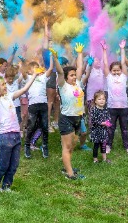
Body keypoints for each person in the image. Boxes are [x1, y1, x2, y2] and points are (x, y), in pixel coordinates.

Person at [0, 63, 41, 197]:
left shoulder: (10, 97)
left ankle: (6, 186)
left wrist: (34, 75)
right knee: (3, 164)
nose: (5, 87)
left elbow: (23, 90)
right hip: (5, 137)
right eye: (2, 85)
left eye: (5, 85)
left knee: (14, 165)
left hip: (16, 135)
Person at [51, 43, 85, 180]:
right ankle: (70, 173)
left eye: (74, 75)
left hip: (78, 118)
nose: (74, 77)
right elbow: (59, 71)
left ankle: (68, 166)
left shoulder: (78, 84)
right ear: (65, 78)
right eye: (71, 75)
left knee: (72, 146)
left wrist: (80, 54)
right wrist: (54, 57)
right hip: (66, 119)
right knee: (67, 146)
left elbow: (80, 68)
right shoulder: (63, 86)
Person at [102, 39, 128, 155]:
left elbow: (124, 63)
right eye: (114, 70)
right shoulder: (109, 77)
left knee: (124, 128)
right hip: (112, 107)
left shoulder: (124, 76)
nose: (116, 72)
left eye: (118, 70)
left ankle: (127, 146)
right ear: (110, 71)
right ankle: (109, 145)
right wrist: (104, 50)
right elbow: (105, 64)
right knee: (111, 128)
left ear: (121, 70)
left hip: (123, 107)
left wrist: (122, 49)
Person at [24, 56, 53, 159]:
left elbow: (50, 69)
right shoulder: (28, 78)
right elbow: (23, 71)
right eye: (34, 67)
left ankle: (44, 145)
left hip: (43, 105)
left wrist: (51, 56)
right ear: (30, 70)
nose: (37, 68)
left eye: (38, 67)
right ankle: (27, 145)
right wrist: (24, 61)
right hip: (33, 105)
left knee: (45, 126)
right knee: (31, 126)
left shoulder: (43, 77)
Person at [89, 91, 111, 164]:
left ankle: (104, 159)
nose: (102, 100)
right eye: (99, 99)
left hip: (103, 131)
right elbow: (93, 121)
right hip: (96, 131)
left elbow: (108, 118)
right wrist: (103, 123)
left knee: (103, 145)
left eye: (103, 99)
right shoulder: (94, 110)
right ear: (95, 101)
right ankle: (95, 159)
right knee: (96, 145)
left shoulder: (105, 109)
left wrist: (108, 122)